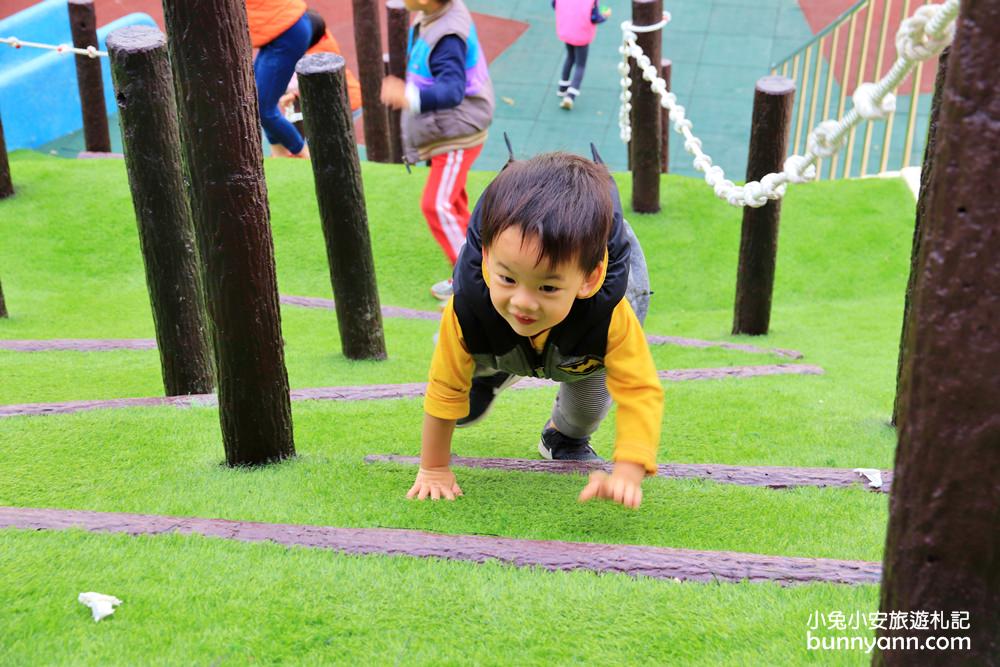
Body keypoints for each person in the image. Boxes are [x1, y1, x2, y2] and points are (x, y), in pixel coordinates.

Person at [409, 151, 662, 509]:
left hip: (582, 355)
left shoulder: (611, 315)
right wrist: (433, 468)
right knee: (466, 352)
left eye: (547, 287)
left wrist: (628, 470)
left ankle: (562, 436)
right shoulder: (469, 305)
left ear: (588, 280)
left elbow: (639, 390)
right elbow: (444, 383)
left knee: (585, 413)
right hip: (497, 340)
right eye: (508, 278)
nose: (523, 302)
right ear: (485, 259)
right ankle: (488, 372)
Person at [380, 0, 494, 301]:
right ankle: (483, 267)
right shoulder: (434, 13)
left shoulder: (447, 35)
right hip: (446, 129)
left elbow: (452, 91)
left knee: (438, 205)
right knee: (454, 203)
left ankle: (478, 283)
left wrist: (408, 96)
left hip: (456, 133)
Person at [245, 0, 311, 158]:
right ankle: (279, 155)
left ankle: (305, 156)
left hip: (287, 32)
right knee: (256, 99)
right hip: (282, 30)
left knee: (263, 109)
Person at [553, 0, 612, 110]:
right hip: (581, 34)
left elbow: (554, 5)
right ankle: (570, 96)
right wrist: (605, 16)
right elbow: (594, 18)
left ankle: (562, 88)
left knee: (570, 57)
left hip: (567, 30)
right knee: (580, 65)